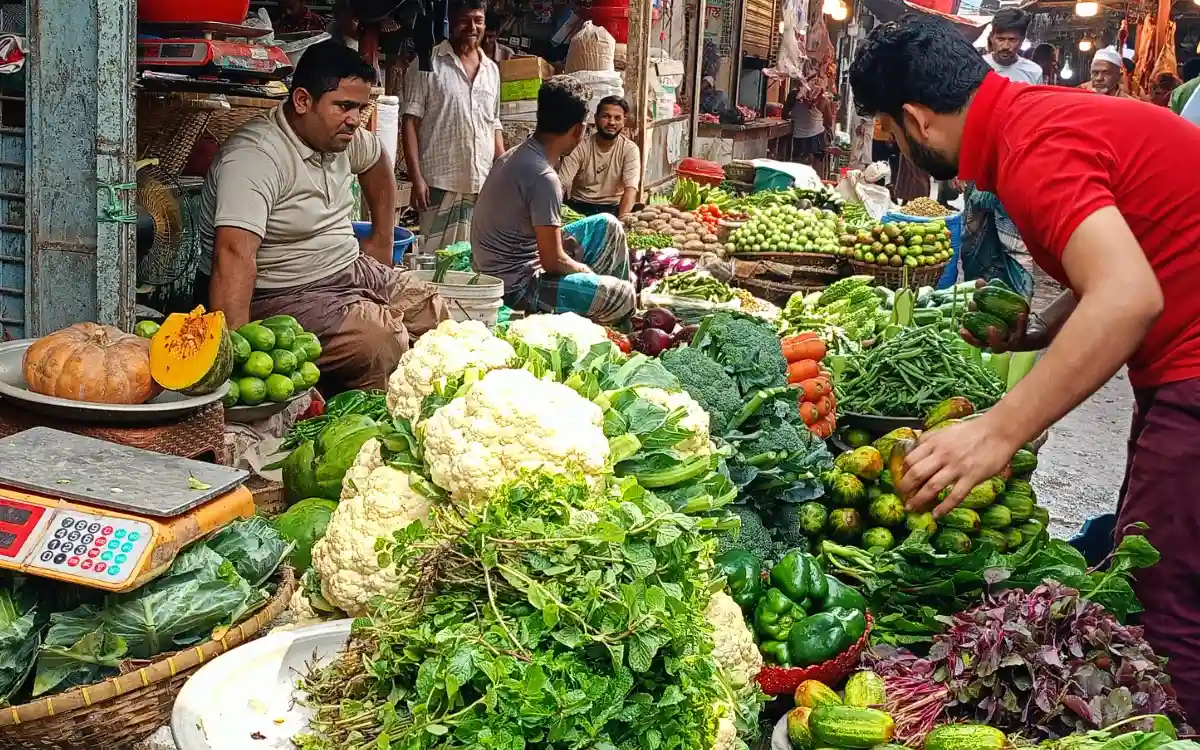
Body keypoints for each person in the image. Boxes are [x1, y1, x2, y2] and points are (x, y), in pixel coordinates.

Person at [849, 15, 1200, 718]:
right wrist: (1043, 328)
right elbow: (1130, 252)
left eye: (890, 129)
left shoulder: (1032, 145)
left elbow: (1129, 295)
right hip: (1177, 362)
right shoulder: (1031, 122)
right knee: (1143, 550)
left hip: (1191, 365)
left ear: (917, 120)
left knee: (1168, 595)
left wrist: (997, 430)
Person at [199, 41, 450, 392]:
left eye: (360, 108)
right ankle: (360, 424)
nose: (354, 120)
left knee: (432, 310)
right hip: (283, 291)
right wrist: (238, 367)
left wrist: (381, 241)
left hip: (349, 268)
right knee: (381, 341)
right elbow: (233, 256)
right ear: (303, 101)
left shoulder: (342, 137)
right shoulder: (254, 159)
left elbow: (377, 163)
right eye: (344, 106)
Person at [472, 76, 635, 325]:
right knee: (623, 296)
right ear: (579, 130)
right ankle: (612, 323)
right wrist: (587, 273)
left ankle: (602, 314)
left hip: (510, 262)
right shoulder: (543, 177)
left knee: (608, 225)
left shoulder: (517, 154)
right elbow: (552, 261)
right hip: (515, 286)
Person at [402, 0, 504, 252]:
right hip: (439, 182)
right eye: (465, 20)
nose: (472, 27)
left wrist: (503, 171)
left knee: (473, 260)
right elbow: (410, 123)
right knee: (437, 259)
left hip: (482, 183)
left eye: (478, 20)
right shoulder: (427, 64)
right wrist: (417, 179)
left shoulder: (491, 70)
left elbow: (494, 124)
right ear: (451, 22)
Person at [557, 96, 642, 218]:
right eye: (606, 116)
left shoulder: (629, 149)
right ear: (596, 118)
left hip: (612, 209)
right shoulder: (580, 147)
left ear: (624, 121)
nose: (611, 122)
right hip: (580, 208)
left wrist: (622, 222)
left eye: (617, 118)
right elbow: (561, 185)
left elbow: (630, 189)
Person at [983, 9, 1043, 85]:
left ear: (1022, 40)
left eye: (1012, 40)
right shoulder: (977, 67)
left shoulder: (1034, 71)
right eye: (1000, 39)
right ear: (991, 37)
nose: (1005, 46)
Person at [784, 76, 835, 166]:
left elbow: (784, 115)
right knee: (828, 132)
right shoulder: (823, 100)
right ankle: (824, 149)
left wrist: (796, 116)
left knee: (798, 163)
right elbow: (829, 123)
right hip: (818, 138)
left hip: (798, 137)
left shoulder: (792, 96)